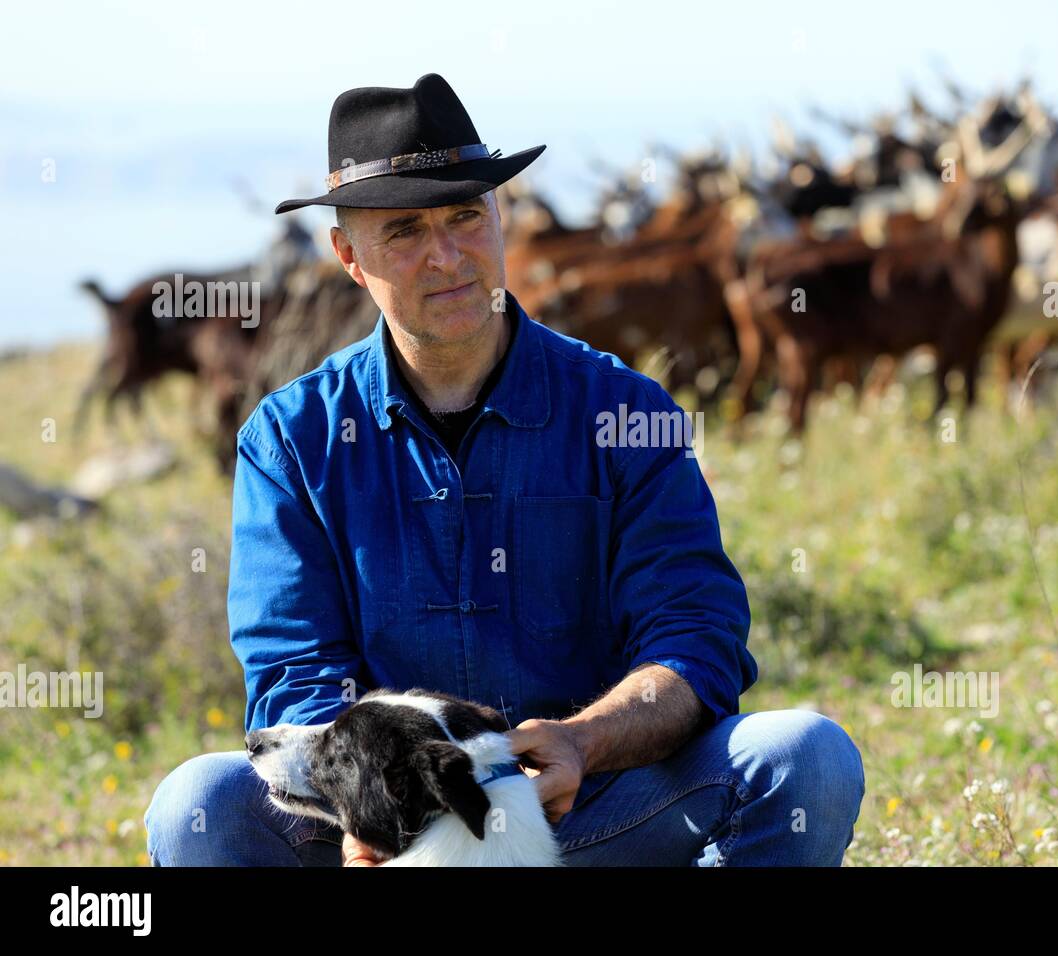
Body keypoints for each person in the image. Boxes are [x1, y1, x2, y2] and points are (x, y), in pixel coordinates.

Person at [144, 73, 864, 866]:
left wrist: (583, 743)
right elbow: (293, 669)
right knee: (197, 806)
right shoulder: (290, 440)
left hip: (592, 811)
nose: (447, 256)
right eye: (405, 231)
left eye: (464, 216)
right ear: (349, 255)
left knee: (806, 756)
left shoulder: (627, 411)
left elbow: (695, 637)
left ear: (502, 216)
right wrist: (373, 809)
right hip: (383, 832)